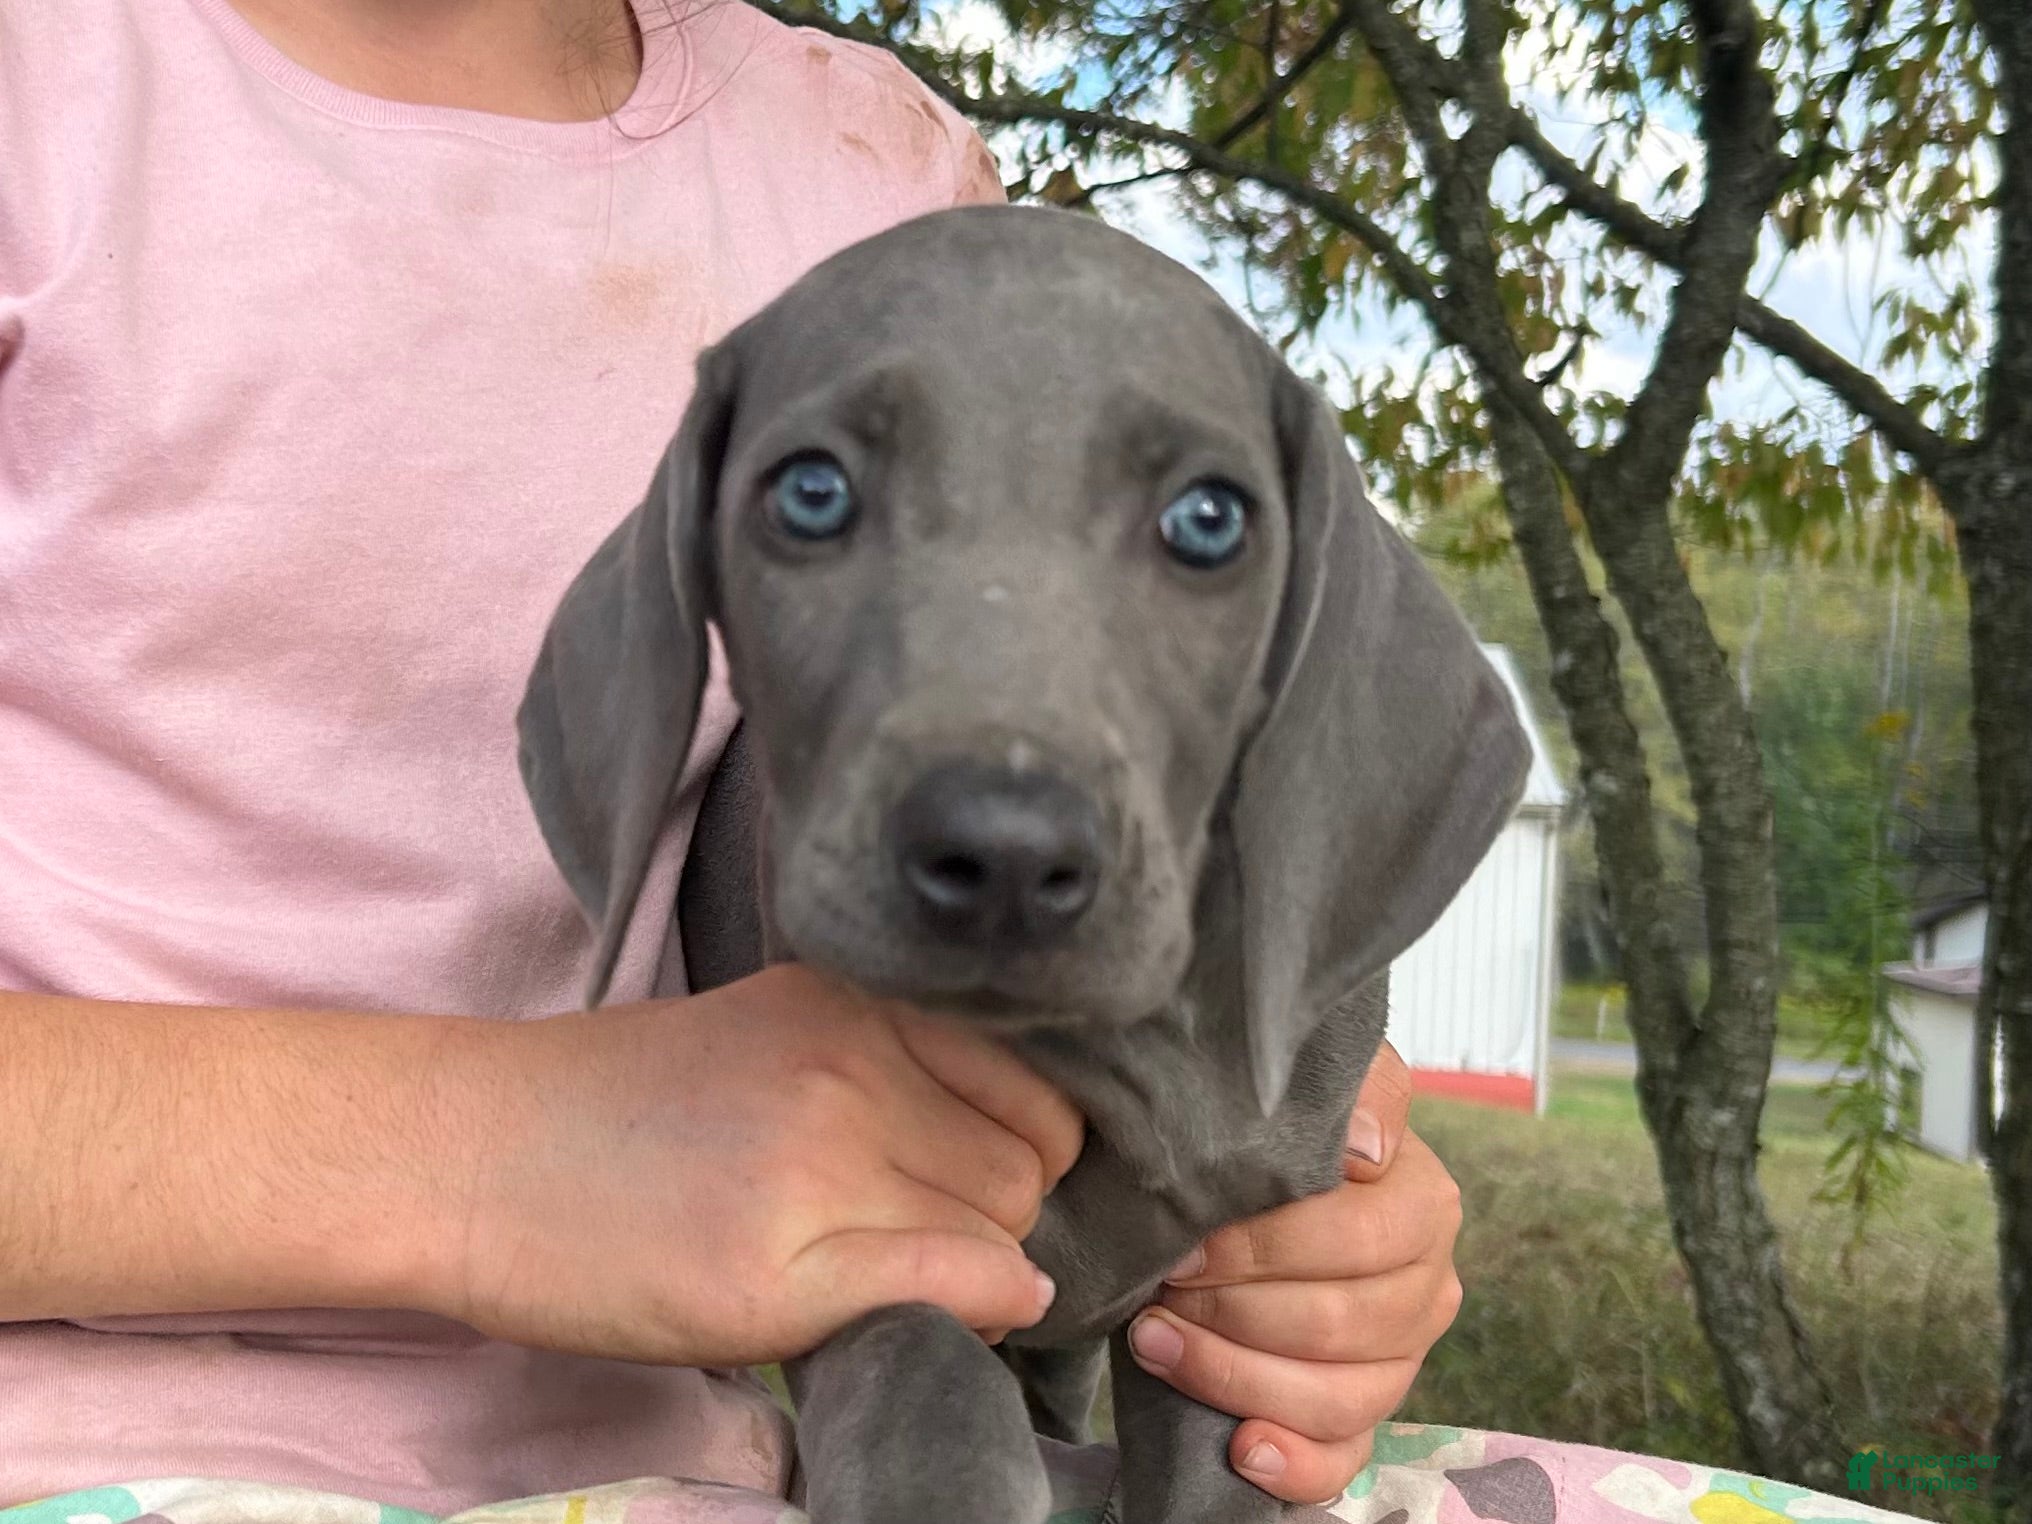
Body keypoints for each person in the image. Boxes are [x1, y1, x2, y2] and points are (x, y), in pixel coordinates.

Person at [0, 0, 1465, 1514]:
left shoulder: (870, 178)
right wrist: (520, 1153)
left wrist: (1302, 1212)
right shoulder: (50, 94)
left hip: (686, 1474)